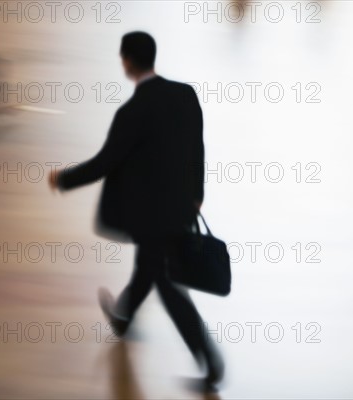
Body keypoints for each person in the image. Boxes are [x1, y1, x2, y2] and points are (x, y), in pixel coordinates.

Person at [48, 31, 224, 391]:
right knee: (148, 268)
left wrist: (63, 179)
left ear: (127, 61)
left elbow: (105, 162)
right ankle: (124, 317)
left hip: (151, 217)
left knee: (169, 286)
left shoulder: (131, 112)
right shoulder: (184, 95)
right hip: (181, 206)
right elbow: (197, 148)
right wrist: (197, 194)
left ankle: (211, 362)